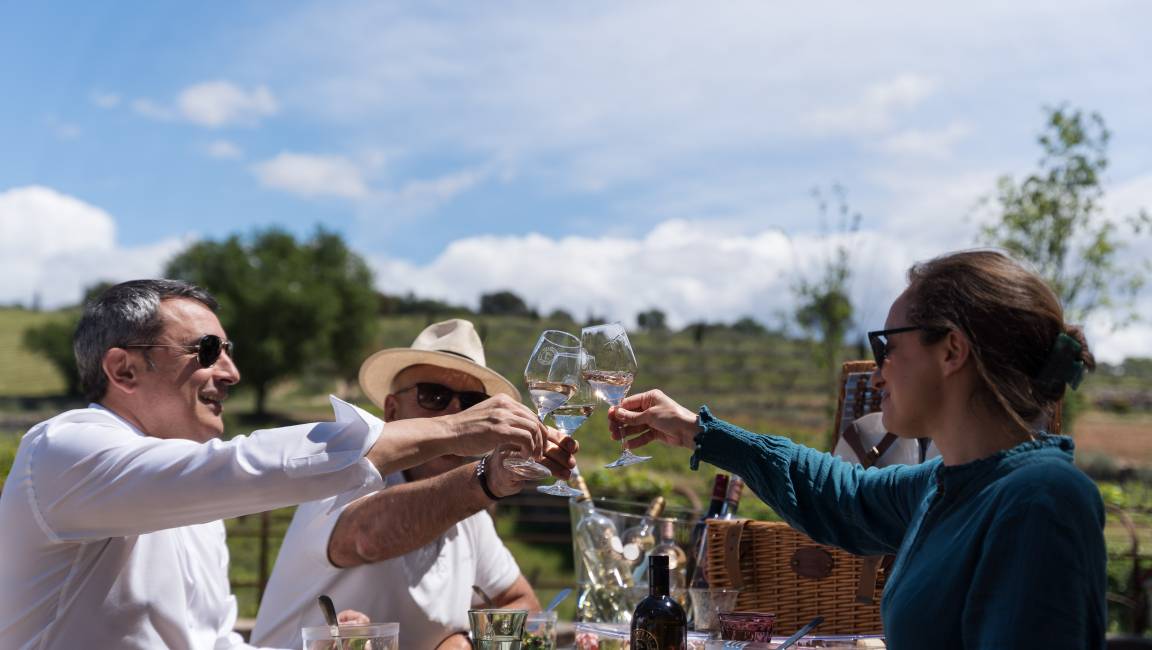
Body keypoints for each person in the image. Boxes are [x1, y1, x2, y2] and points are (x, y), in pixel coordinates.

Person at [0, 281, 552, 650]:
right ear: (122, 369)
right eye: (208, 351)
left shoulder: (193, 498)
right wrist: (459, 437)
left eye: (229, 351)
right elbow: (250, 468)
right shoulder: (64, 451)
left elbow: (214, 641)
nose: (233, 372)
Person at [608, 250, 1106, 649]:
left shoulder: (1040, 500)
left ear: (952, 350)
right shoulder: (950, 483)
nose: (876, 369)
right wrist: (699, 431)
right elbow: (841, 495)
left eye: (887, 345)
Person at [251, 319, 577, 650]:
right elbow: (366, 537)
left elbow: (524, 605)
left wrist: (466, 643)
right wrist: (486, 480)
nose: (455, 412)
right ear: (392, 411)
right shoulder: (345, 469)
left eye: (470, 403)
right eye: (434, 395)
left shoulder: (471, 515)